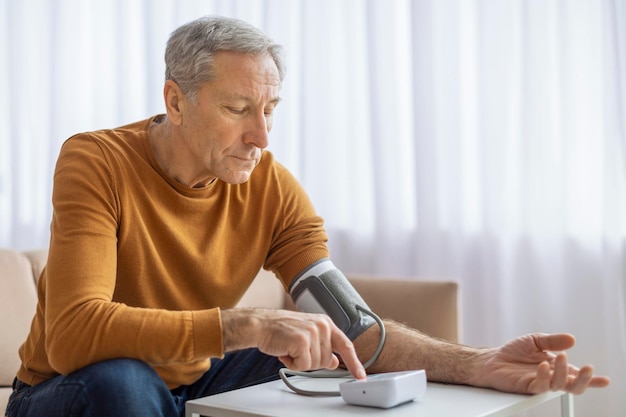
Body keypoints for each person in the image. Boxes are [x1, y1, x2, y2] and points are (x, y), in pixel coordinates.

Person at [6, 15, 609, 417]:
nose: (261, 135)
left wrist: (478, 363)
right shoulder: (95, 160)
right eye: (239, 108)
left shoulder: (269, 186)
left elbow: (355, 327)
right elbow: (74, 334)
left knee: (323, 366)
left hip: (192, 376)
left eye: (270, 108)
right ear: (175, 101)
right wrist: (246, 325)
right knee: (126, 383)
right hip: (66, 389)